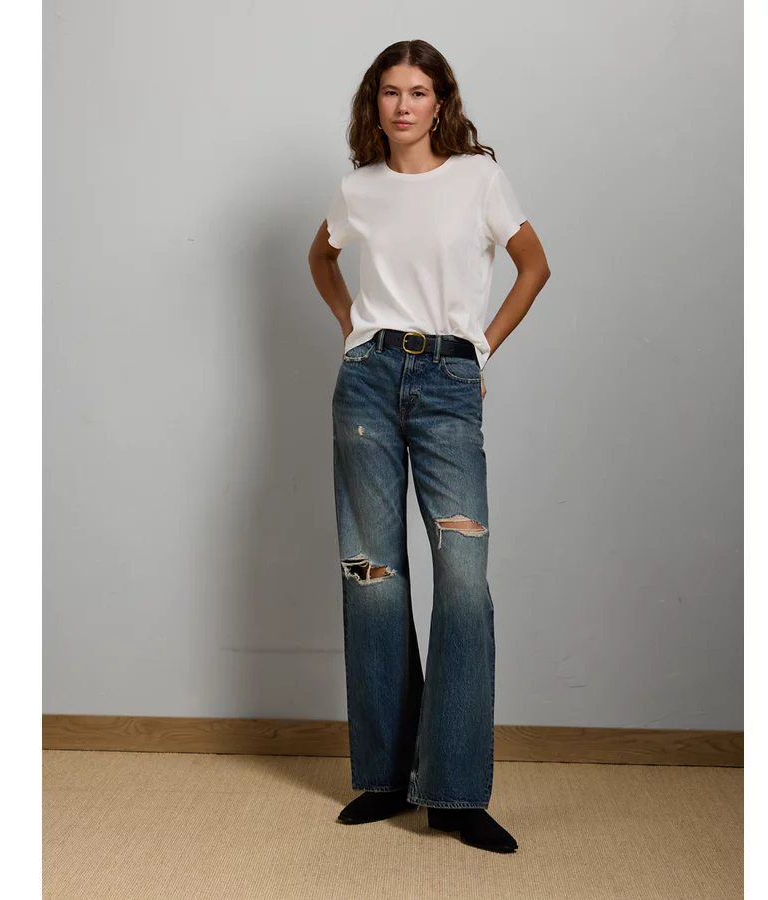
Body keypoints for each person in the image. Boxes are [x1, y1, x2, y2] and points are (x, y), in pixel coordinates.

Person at [307, 39, 551, 854]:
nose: (403, 105)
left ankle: (453, 791)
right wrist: (353, 327)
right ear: (373, 104)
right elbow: (321, 257)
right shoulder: (359, 189)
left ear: (440, 101)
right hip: (367, 385)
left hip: (447, 379)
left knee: (463, 584)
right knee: (373, 577)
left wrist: (481, 348)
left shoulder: (479, 178)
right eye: (389, 92)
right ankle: (383, 779)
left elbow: (533, 265)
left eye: (417, 91)